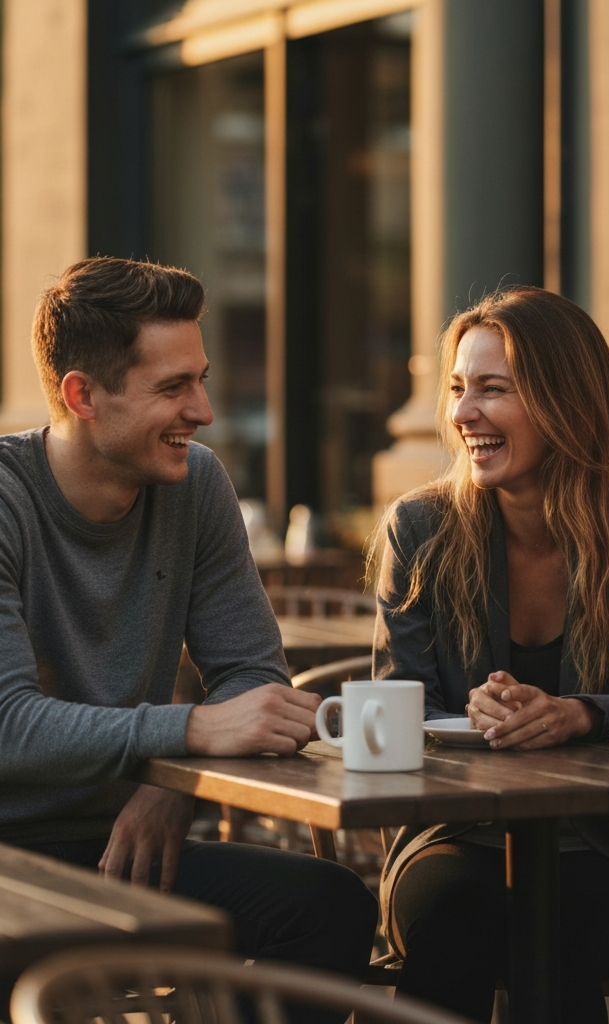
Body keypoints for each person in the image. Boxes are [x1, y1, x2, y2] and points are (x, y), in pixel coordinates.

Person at [0, 258, 378, 1004]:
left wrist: (170, 782)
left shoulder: (194, 483)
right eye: (173, 388)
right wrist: (189, 733)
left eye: (200, 380)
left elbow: (255, 675)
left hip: (118, 838)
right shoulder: (8, 502)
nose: (204, 411)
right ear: (83, 396)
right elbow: (9, 729)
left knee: (329, 907)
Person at [370, 286, 609, 1024]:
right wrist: (471, 713)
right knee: (461, 913)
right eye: (459, 388)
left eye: (494, 390)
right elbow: (400, 701)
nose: (462, 414)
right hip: (453, 835)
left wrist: (579, 714)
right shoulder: (421, 527)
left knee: (549, 922)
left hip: (608, 846)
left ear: (567, 402)